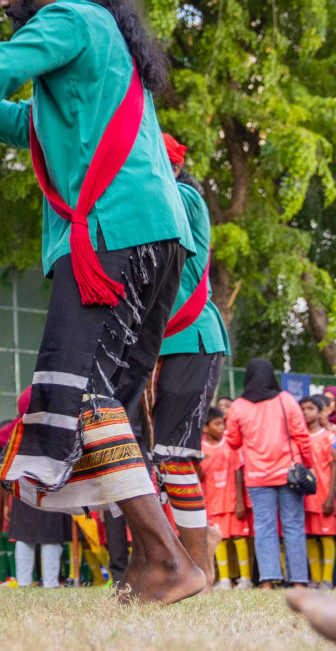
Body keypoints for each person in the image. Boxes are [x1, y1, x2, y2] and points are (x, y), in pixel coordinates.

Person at [0, 0, 200, 604]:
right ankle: (153, 564)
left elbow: (0, 66)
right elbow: (36, 123)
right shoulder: (101, 36)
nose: (4, 1)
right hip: (148, 235)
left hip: (110, 239)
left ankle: (170, 562)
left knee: (81, 398)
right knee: (104, 404)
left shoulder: (67, 18)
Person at [146, 134, 230, 590]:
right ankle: (185, 552)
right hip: (159, 348)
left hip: (192, 340)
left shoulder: (184, 197)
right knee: (150, 462)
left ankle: (198, 564)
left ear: (170, 165)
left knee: (174, 456)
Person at [226, 358, 315, 590]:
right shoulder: (285, 400)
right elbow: (302, 436)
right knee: (294, 526)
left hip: (257, 477)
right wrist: (309, 464)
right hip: (289, 475)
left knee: (264, 527)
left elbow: (233, 442)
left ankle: (267, 581)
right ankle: (298, 582)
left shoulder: (238, 406)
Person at [201, 407, 254, 589]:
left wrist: (240, 500)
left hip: (232, 500)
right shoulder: (200, 447)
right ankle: (224, 579)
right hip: (212, 502)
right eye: (217, 424)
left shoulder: (231, 445)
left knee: (239, 536)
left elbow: (239, 470)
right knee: (220, 538)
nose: (222, 427)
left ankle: (245, 578)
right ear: (206, 428)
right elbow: (199, 477)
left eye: (222, 423)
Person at [305, 397, 336, 590]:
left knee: (326, 536)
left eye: (310, 408)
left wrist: (331, 497)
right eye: (303, 408)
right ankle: (315, 579)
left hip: (325, 495)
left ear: (320, 411)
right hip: (306, 498)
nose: (306, 412)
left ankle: (326, 579)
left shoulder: (329, 437)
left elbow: (334, 467)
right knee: (310, 537)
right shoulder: (299, 437)